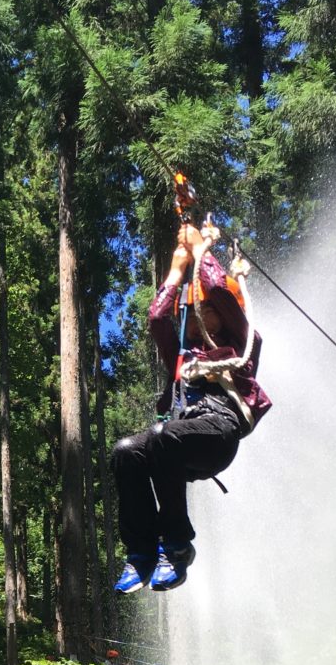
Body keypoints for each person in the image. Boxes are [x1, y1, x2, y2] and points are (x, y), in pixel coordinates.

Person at [110, 220, 271, 592]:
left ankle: (178, 546)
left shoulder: (242, 341)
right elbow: (155, 319)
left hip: (219, 430)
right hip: (180, 438)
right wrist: (176, 268)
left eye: (207, 309)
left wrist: (202, 251)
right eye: (192, 308)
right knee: (125, 452)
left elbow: (216, 288)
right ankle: (141, 551)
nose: (197, 314)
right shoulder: (183, 354)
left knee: (162, 435)